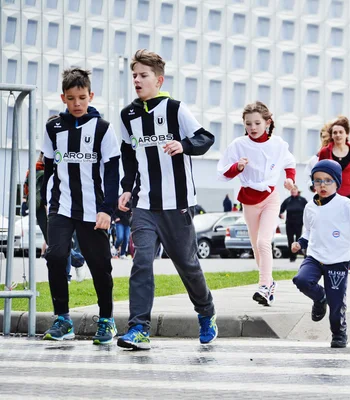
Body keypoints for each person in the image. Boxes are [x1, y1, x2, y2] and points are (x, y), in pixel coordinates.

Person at [117, 49, 217, 350]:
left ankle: (206, 312)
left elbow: (205, 139)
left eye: (143, 75)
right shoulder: (128, 115)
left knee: (187, 266)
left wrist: (182, 144)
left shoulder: (175, 109)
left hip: (178, 204)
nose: (137, 80)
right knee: (141, 262)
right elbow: (128, 155)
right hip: (145, 204)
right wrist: (125, 188)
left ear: (158, 80)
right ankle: (138, 328)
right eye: (134, 75)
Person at [40, 68, 120, 344]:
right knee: (56, 257)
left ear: (91, 96)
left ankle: (107, 320)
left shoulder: (103, 129)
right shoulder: (53, 127)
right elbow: (48, 171)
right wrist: (46, 211)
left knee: (100, 265)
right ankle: (62, 319)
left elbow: (112, 172)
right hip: (60, 208)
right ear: (63, 97)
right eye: (71, 98)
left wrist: (107, 210)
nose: (77, 103)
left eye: (82, 97)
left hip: (93, 210)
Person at [217, 101, 296, 306]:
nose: (252, 127)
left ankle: (263, 285)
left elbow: (289, 163)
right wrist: (238, 167)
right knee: (255, 246)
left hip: (270, 197)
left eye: (257, 123)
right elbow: (223, 172)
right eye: (248, 123)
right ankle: (269, 285)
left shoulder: (277, 144)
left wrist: (290, 180)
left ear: (267, 122)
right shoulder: (238, 145)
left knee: (263, 242)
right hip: (249, 200)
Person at [291, 160, 350, 348]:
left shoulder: (345, 204)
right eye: (318, 180)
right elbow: (308, 231)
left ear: (337, 183)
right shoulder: (310, 207)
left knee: (336, 304)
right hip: (314, 256)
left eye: (328, 181)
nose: (322, 185)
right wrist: (300, 243)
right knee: (301, 280)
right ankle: (319, 298)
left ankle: (339, 333)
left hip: (338, 260)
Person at [318, 116, 350, 270]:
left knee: (348, 230)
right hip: (330, 196)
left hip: (349, 195)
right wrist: (319, 187)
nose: (338, 135)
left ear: (346, 134)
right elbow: (317, 172)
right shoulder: (325, 151)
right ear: (331, 135)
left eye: (341, 132)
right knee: (328, 228)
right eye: (335, 132)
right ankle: (328, 261)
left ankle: (347, 263)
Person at [279, 186, 308, 262]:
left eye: (294, 190)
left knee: (298, 239)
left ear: (297, 190)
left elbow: (308, 210)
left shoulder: (302, 200)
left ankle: (300, 252)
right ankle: (292, 256)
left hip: (299, 223)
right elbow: (281, 209)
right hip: (289, 223)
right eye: (291, 190)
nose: (293, 191)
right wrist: (280, 214)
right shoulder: (288, 200)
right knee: (290, 239)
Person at [304, 122, 332, 192]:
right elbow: (309, 176)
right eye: (323, 137)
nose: (325, 139)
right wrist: (312, 185)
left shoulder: (343, 155)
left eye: (328, 136)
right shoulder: (314, 159)